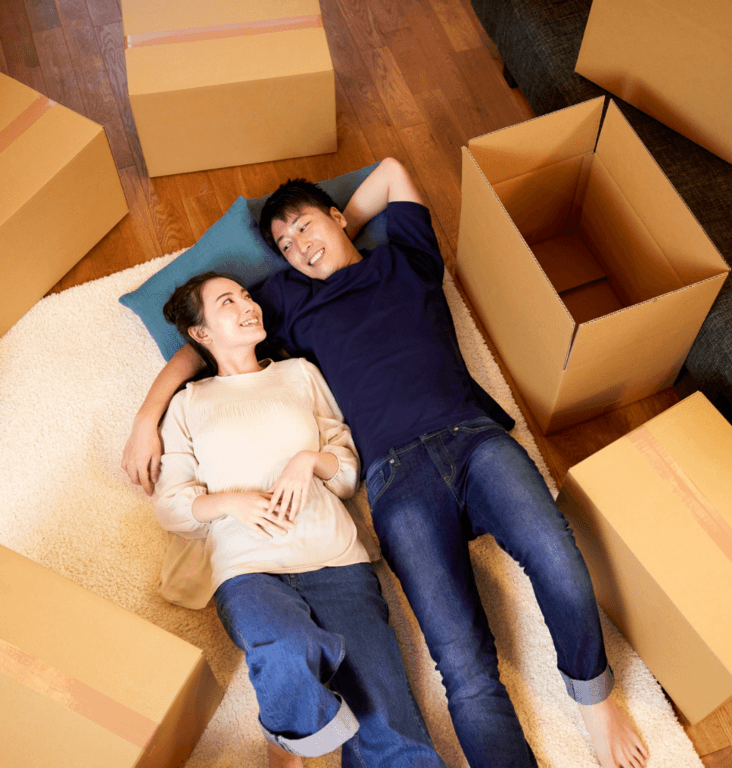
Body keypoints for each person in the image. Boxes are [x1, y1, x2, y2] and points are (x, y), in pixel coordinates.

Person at [125, 158, 650, 768]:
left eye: (304, 226)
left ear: (339, 215)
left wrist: (332, 229)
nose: (297, 246)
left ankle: (593, 699)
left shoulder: (406, 258)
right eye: (284, 245)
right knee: (462, 663)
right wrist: (146, 418)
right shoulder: (288, 301)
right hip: (395, 478)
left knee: (553, 549)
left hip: (472, 438)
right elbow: (205, 342)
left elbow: (396, 171)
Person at [154, 271, 446, 768]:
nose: (248, 305)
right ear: (201, 333)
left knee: (390, 721)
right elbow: (171, 506)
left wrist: (307, 461)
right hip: (249, 571)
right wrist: (230, 502)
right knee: (288, 648)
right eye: (228, 302)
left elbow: (347, 470)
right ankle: (289, 746)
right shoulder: (188, 403)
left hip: (337, 561)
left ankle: (291, 737)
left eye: (246, 295)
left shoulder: (300, 375)